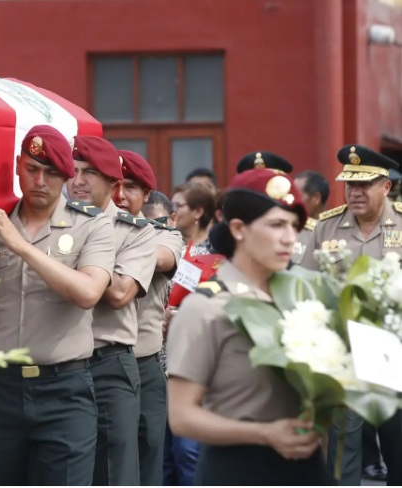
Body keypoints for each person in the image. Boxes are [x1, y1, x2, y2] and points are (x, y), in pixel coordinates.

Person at [0, 125, 115, 485]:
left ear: (67, 176)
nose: (39, 180)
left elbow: (87, 293)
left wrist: (20, 245)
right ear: (17, 166)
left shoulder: (91, 225)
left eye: (51, 173)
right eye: (31, 168)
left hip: (64, 388)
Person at [167, 168, 330, 485]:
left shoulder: (305, 297)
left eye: (294, 226)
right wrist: (265, 434)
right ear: (239, 228)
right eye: (276, 225)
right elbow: (183, 417)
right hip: (236, 469)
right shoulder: (205, 307)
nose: (289, 237)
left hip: (307, 468)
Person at [300, 144, 402, 486]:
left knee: (397, 444)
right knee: (344, 451)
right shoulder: (325, 228)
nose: (355, 193)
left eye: (364, 185)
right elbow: (308, 289)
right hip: (345, 353)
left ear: (385, 187)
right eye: (349, 185)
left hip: (395, 353)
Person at [67, 138, 156, 485]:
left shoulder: (135, 231)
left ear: (113, 185)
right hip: (58, 367)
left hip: (107, 362)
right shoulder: (50, 225)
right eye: (73, 171)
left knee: (113, 471)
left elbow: (120, 293)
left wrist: (71, 265)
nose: (78, 181)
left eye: (89, 172)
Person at [115, 150, 186, 485]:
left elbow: (161, 258)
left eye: (130, 187)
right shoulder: (82, 229)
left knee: (148, 460)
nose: (119, 194)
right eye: (113, 184)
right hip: (99, 364)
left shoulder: (163, 234)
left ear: (145, 195)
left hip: (144, 366)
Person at [291, 171, 329, 264]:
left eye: (297, 195)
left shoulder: (335, 230)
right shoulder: (290, 230)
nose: (292, 200)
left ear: (316, 198)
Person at [171, 184, 214, 256]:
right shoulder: (169, 243)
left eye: (178, 205)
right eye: (171, 205)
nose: (172, 211)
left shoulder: (214, 246)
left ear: (198, 212)